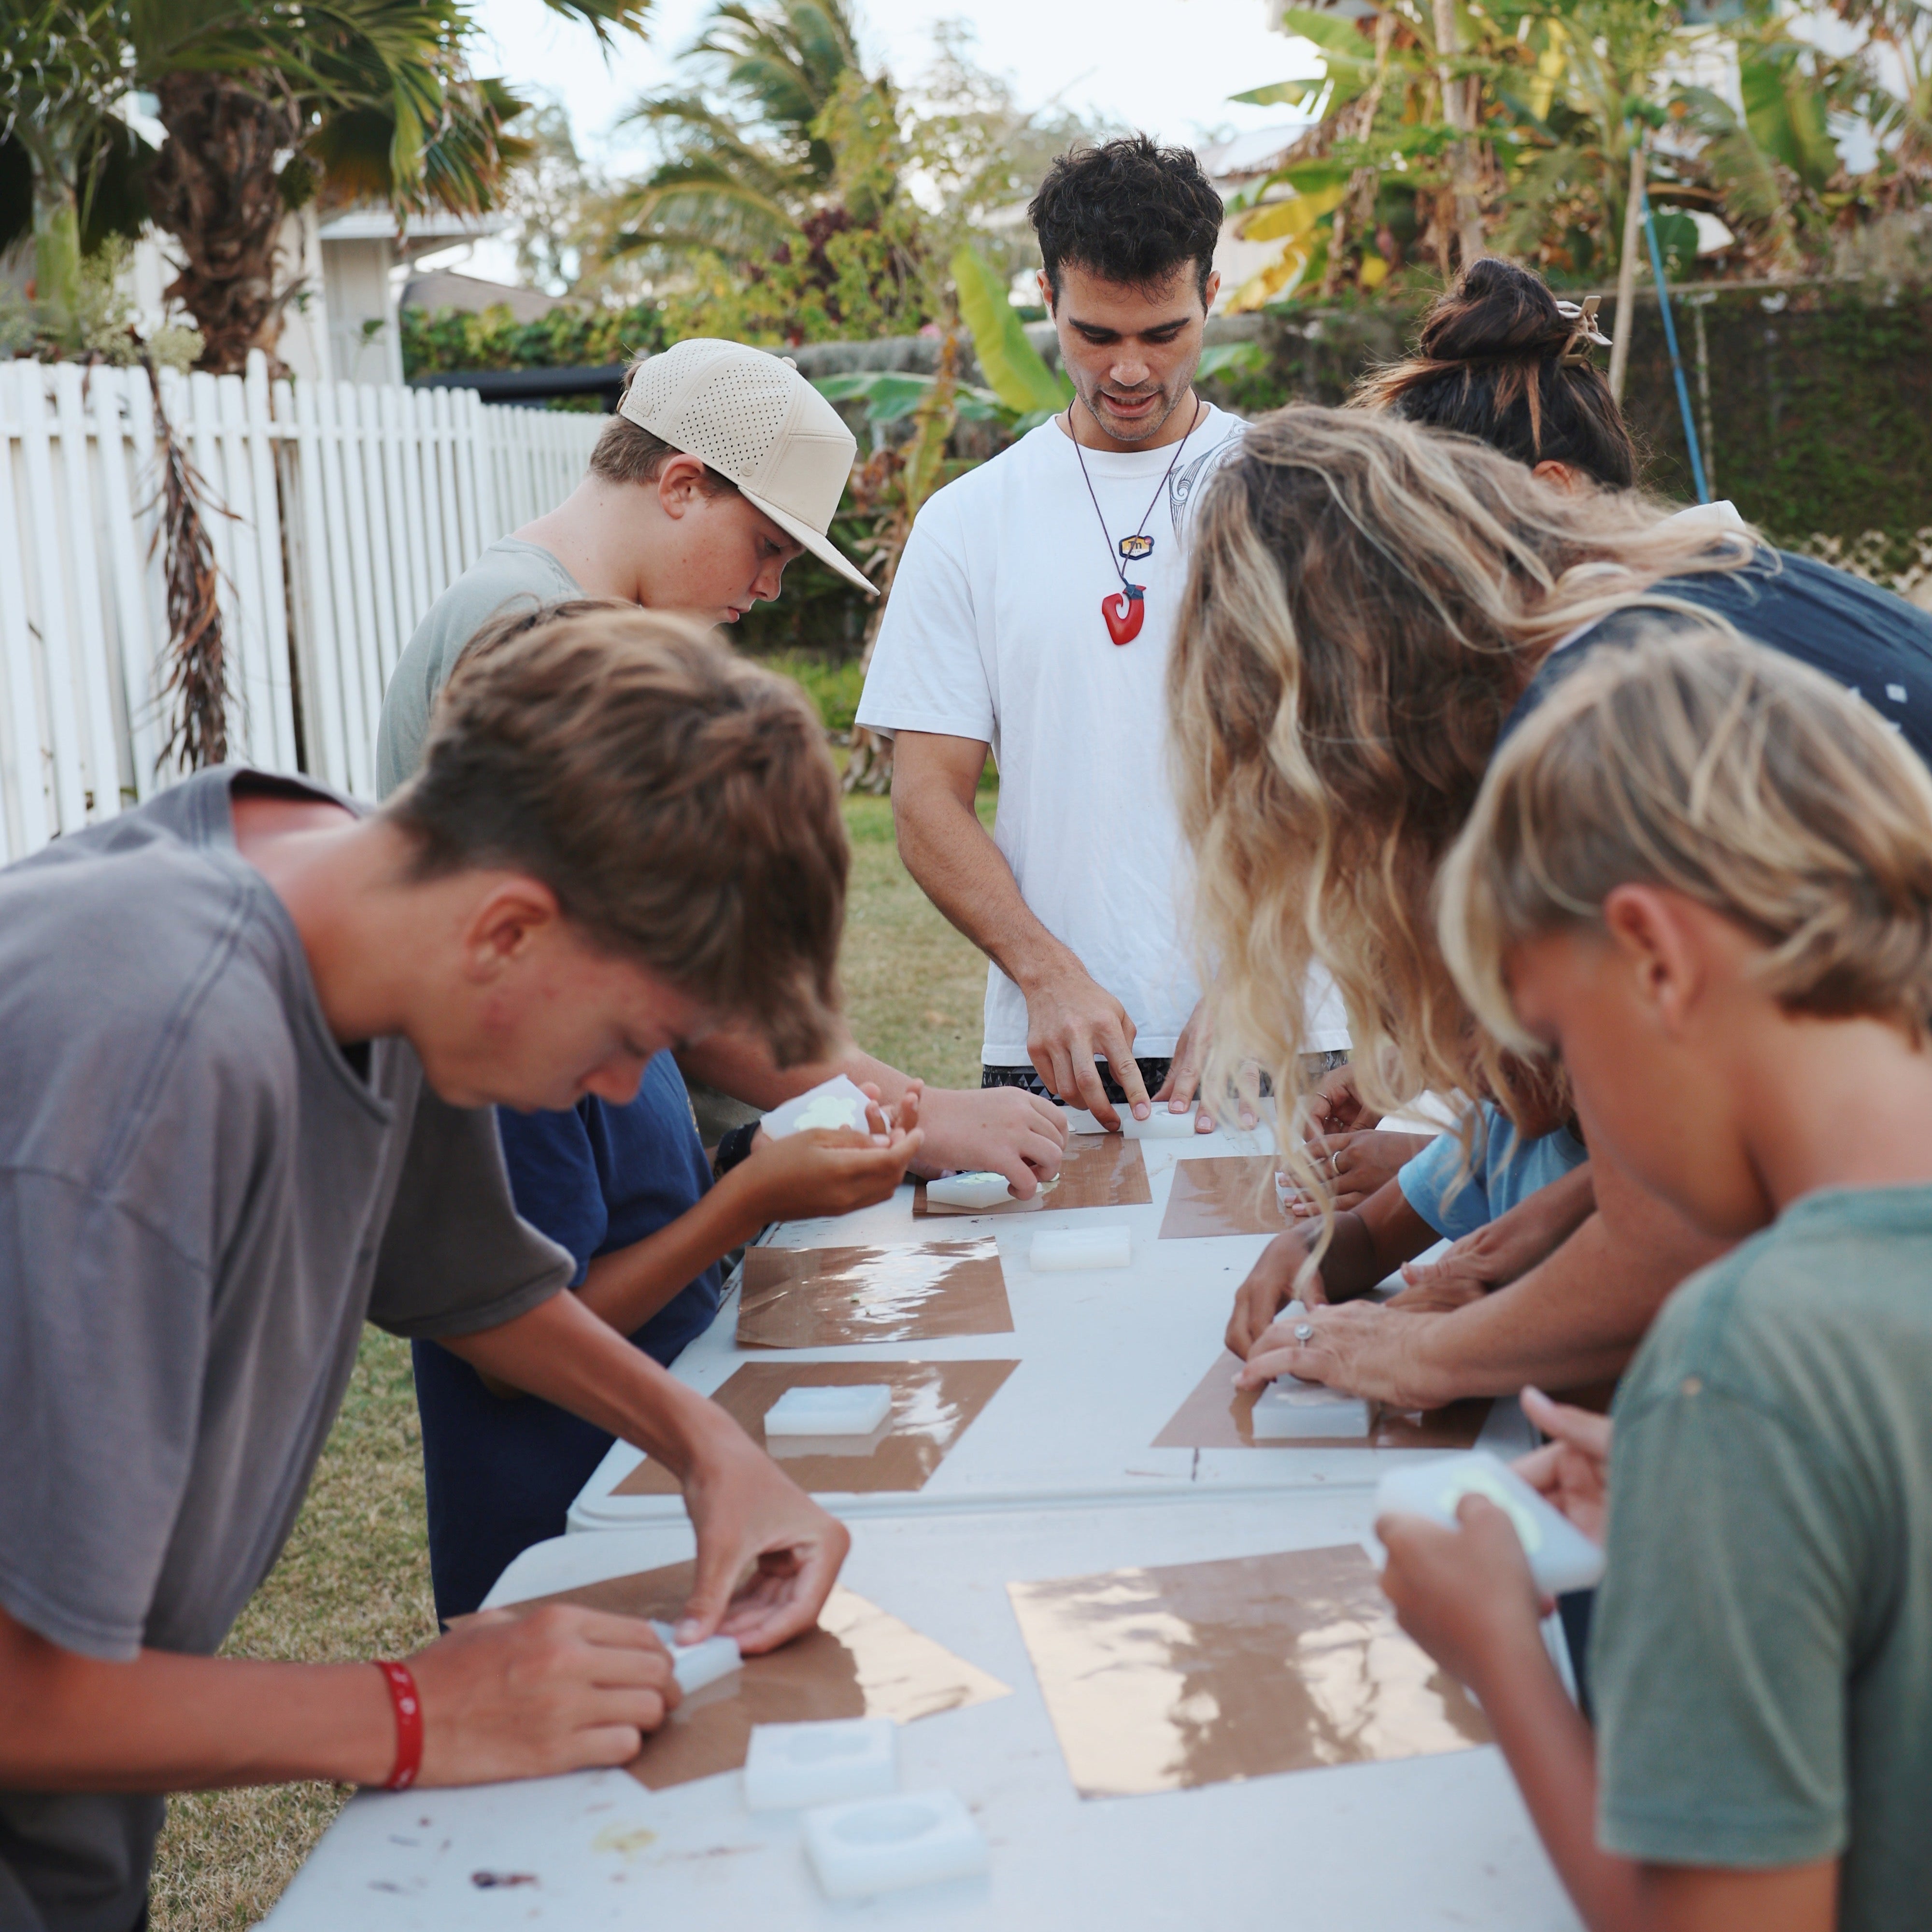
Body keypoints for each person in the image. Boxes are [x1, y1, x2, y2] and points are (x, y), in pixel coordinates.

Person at [0, 612, 903, 1932]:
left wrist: (714, 1451)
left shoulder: (370, 916)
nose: (613, 1089)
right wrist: (420, 1711)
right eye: (627, 1040)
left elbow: (480, 1291)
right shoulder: (154, 1061)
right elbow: (25, 1690)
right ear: (510, 933)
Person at [1167, 402, 1932, 1405]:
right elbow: (1779, 1088)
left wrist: (1416, 1354)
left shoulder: (1591, 725)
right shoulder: (1699, 585)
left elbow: (1678, 1233)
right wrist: (1526, 1208)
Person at [1379, 627, 1932, 1932]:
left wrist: (1497, 1648)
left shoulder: (1748, 1356)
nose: (1575, 1108)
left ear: (1656, 957)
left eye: (1561, 1042)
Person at [376, 341, 1066, 1200]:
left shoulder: (554, 610)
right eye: (769, 547)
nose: (772, 587)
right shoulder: (542, 632)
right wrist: (921, 1114)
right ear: (681, 484)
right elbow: (662, 981)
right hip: (567, 1198)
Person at [401, 603, 923, 1621]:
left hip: (663, 1469)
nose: (646, 1053)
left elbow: (632, 1202)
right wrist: (748, 1199)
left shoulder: (587, 979)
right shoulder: (509, 1050)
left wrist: (747, 1168)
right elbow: (521, 1345)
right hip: (563, 1533)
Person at [855, 134, 1351, 1136]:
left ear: (1212, 293)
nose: (1128, 368)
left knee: (1301, 1294)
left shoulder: (1301, 493)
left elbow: (1356, 765)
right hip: (1059, 1045)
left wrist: (1259, 969)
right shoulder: (968, 520)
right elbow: (925, 798)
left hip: (1290, 1026)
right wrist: (1046, 974)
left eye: (1163, 333)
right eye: (1094, 334)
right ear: (1046, 296)